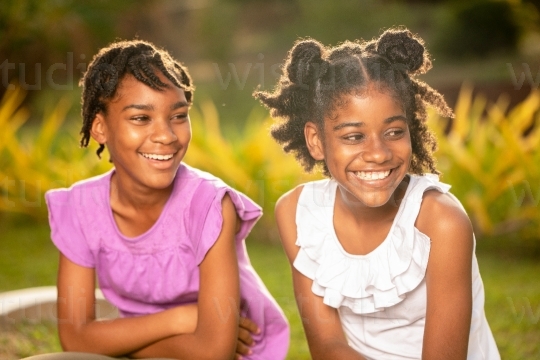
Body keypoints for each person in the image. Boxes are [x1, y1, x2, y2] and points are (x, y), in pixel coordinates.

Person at [254, 28, 500, 360]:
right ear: (315, 141)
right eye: (354, 137)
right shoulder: (297, 213)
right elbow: (328, 346)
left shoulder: (440, 222)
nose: (379, 153)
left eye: (394, 132)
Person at [39, 40, 289, 360]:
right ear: (100, 128)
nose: (167, 136)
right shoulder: (80, 209)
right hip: (169, 339)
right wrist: (182, 319)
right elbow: (75, 338)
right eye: (141, 118)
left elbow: (214, 351)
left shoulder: (209, 206)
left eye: (178, 115)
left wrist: (120, 344)